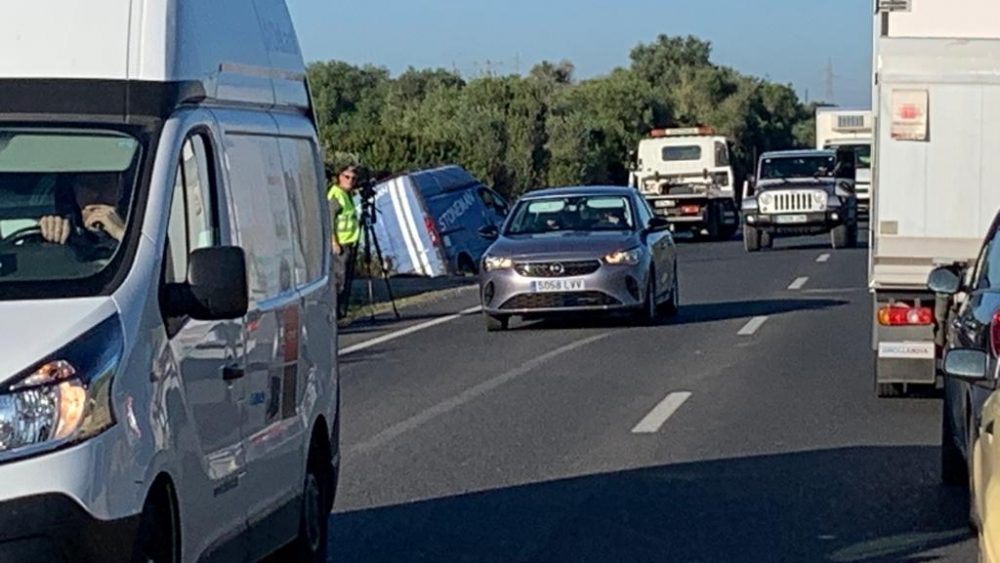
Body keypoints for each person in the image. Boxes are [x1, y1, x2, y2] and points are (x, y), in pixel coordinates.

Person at [39, 174, 125, 245]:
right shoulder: (69, 232)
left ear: (119, 190)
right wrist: (52, 229)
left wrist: (120, 233)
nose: (95, 195)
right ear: (75, 191)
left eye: (104, 183)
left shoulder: (135, 224)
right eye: (88, 185)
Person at [327, 164, 361, 304]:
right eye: (347, 177)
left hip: (349, 242)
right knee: (339, 279)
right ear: (339, 177)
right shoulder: (336, 195)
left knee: (345, 278)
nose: (350, 181)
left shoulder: (347, 195)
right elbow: (329, 221)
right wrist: (334, 241)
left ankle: (341, 309)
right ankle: (336, 310)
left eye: (353, 178)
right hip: (340, 245)